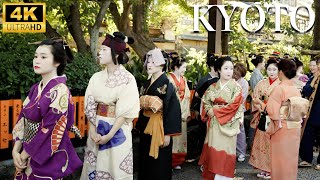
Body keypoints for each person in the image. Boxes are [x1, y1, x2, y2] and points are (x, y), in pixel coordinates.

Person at [12, 38, 82, 179]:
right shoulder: (35, 88)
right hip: (26, 151)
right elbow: (23, 119)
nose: (37, 60)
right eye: (35, 56)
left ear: (57, 62)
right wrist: (16, 150)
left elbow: (50, 129)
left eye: (43, 57)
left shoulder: (60, 91)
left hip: (46, 156)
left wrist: (24, 155)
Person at [80, 32, 140, 180]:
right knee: (94, 168)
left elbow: (126, 111)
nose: (99, 52)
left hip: (117, 130)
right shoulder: (96, 77)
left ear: (116, 53)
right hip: (97, 128)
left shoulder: (128, 79)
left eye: (104, 50)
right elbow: (90, 106)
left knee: (115, 169)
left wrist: (110, 135)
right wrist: (92, 130)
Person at [136, 48, 181, 180]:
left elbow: (173, 109)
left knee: (160, 163)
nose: (149, 64)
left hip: (160, 127)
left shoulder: (167, 84)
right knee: (145, 160)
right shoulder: (146, 83)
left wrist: (168, 134)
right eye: (148, 61)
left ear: (162, 64)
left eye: (153, 62)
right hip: (146, 125)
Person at [199, 56, 243, 180]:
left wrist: (215, 110)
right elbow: (205, 102)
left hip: (229, 123)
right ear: (218, 70)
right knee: (213, 153)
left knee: (226, 152)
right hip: (214, 124)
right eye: (226, 68)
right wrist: (208, 110)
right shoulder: (212, 87)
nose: (229, 71)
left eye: (231, 68)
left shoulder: (236, 87)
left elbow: (235, 105)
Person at [266, 59, 304, 179]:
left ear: (281, 72)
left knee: (280, 161)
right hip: (295, 127)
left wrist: (261, 105)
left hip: (281, 128)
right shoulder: (295, 89)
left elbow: (272, 111)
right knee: (291, 160)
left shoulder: (279, 88)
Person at [249, 58, 280, 179]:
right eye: (269, 69)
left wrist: (269, 107)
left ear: (279, 70)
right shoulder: (261, 83)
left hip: (275, 117)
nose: (271, 72)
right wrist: (262, 107)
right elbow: (255, 98)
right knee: (261, 142)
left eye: (274, 69)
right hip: (263, 115)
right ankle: (263, 167)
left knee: (273, 144)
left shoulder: (281, 84)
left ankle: (272, 169)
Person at [167, 55, 190, 170]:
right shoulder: (168, 78)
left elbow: (187, 95)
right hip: (173, 111)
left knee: (181, 138)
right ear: (176, 66)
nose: (185, 70)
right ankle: (169, 161)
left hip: (182, 111)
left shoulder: (184, 79)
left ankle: (177, 161)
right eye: (184, 67)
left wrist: (184, 111)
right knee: (172, 137)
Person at [299, 58, 320, 169]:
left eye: (316, 65)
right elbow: (305, 91)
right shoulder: (312, 77)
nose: (313, 67)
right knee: (307, 134)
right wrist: (314, 79)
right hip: (311, 111)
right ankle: (306, 159)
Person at [233, 63, 249, 162]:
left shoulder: (244, 83)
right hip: (228, 108)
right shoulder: (229, 79)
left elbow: (242, 97)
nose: (235, 75)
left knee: (240, 131)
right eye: (234, 72)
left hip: (239, 109)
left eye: (238, 74)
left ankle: (241, 152)